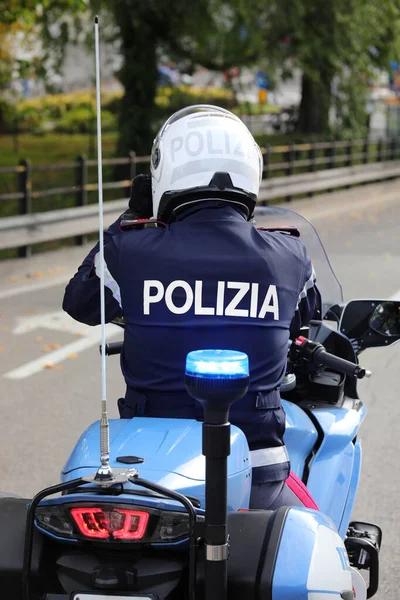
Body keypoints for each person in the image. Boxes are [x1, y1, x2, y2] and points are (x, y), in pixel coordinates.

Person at [63, 105, 318, 510]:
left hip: (148, 469)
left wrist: (130, 218)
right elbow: (304, 319)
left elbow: (80, 302)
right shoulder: (289, 255)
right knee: (325, 551)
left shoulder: (129, 249)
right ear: (251, 168)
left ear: (163, 172)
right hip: (257, 468)